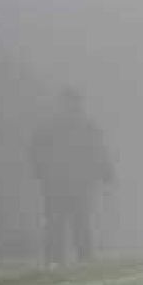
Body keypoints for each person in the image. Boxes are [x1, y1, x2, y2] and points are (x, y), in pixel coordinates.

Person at [29, 87, 114, 267]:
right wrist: (106, 172)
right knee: (65, 221)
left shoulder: (64, 126)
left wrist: (106, 171)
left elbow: (98, 150)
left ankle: (70, 258)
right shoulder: (77, 126)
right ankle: (69, 259)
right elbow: (98, 150)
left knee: (72, 221)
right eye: (71, 103)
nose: (72, 107)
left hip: (68, 182)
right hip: (63, 182)